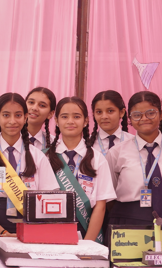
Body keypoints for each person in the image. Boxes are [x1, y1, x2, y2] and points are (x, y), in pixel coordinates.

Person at [106, 91, 162, 235]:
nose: (144, 119)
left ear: (161, 114)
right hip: (128, 220)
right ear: (129, 118)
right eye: (137, 115)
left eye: (150, 113)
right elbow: (110, 195)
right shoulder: (116, 152)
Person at [0, 93, 52, 235]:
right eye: (6, 115)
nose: (12, 121)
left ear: (25, 117)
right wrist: (3, 233)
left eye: (18, 115)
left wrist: (31, 233)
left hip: (32, 231)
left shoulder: (38, 156)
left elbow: (49, 201)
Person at [44, 97, 115, 242]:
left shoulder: (97, 158)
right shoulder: (44, 157)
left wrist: (88, 243)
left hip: (87, 229)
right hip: (50, 227)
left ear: (86, 121)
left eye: (76, 117)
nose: (70, 121)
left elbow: (100, 206)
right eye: (64, 117)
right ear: (56, 121)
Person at [90, 90, 132, 159]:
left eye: (110, 111)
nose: (104, 117)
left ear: (121, 112)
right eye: (99, 112)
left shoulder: (133, 142)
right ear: (93, 114)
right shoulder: (86, 144)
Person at [24, 87, 57, 153]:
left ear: (50, 114)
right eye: (31, 102)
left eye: (42, 105)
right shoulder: (8, 138)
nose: (34, 108)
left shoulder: (55, 144)